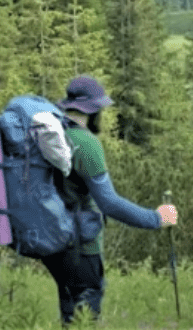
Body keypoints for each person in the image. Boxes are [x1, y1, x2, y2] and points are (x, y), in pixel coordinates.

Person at [41, 75, 178, 326]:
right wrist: (157, 218)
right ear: (93, 110)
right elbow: (109, 203)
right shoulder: (86, 144)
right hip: (81, 244)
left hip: (54, 239)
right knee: (84, 315)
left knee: (70, 312)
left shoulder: (51, 136)